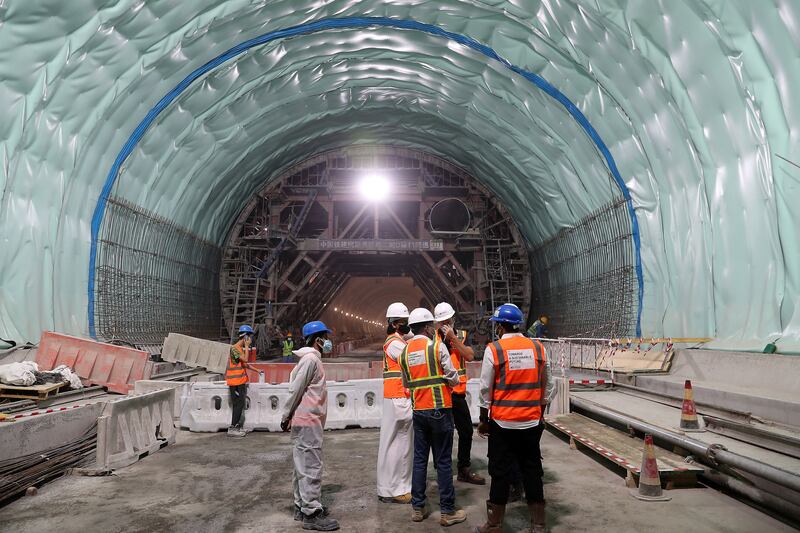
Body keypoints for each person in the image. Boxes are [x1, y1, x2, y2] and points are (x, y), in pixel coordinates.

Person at [475, 303, 553, 533]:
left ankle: (494, 524)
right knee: (532, 471)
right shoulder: (538, 348)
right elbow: (547, 385)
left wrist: (483, 418)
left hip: (503, 423)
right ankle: (538, 525)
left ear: (500, 326)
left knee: (500, 473)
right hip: (531, 422)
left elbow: (485, 389)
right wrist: (540, 411)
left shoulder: (495, 350)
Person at [398, 308, 467, 527]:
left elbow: (407, 384)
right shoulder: (436, 347)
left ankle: (418, 508)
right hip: (440, 410)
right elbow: (453, 378)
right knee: (444, 462)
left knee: (420, 460)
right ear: (428, 327)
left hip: (418, 412)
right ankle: (447, 512)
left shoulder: (404, 353)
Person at [280, 320, 339, 531]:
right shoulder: (311, 360)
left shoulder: (308, 360)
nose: (329, 341)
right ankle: (311, 513)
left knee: (301, 467)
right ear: (318, 340)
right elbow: (295, 390)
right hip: (308, 421)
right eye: (326, 337)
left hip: (305, 420)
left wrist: (288, 416)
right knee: (311, 467)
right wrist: (286, 415)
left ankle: (300, 506)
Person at [434, 302, 485, 485]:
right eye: (442, 322)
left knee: (465, 432)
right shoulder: (432, 340)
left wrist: (453, 339)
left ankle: (464, 469)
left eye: (448, 320)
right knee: (442, 434)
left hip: (457, 394)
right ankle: (442, 472)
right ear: (436, 323)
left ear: (453, 319)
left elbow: (470, 356)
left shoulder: (461, 336)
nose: (446, 324)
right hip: (440, 394)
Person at [376, 302, 414, 504]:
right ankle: (397, 490)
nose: (408, 326)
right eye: (405, 323)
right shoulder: (396, 344)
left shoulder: (394, 341)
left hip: (395, 398)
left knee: (393, 445)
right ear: (397, 324)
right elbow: (413, 360)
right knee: (401, 446)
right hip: (400, 398)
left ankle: (389, 488)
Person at [226, 325, 255, 438]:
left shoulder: (238, 349)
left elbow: (244, 364)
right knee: (238, 404)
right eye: (250, 338)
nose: (251, 340)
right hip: (235, 382)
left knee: (240, 403)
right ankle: (233, 428)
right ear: (246, 337)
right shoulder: (234, 348)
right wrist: (247, 347)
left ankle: (237, 426)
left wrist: (257, 370)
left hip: (239, 381)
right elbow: (246, 359)